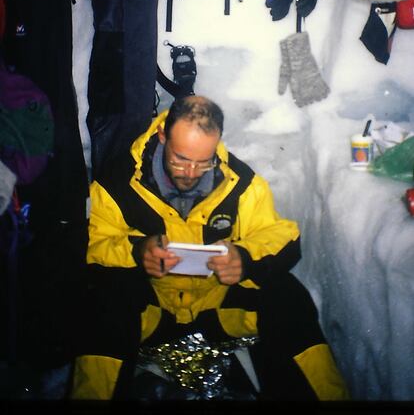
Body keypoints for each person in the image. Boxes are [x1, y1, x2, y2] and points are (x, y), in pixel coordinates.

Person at [70, 95, 349, 401]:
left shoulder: (240, 183)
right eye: (180, 159)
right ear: (163, 135)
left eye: (203, 162)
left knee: (289, 297)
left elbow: (280, 235)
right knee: (101, 306)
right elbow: (90, 244)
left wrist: (243, 259)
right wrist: (137, 252)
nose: (190, 173)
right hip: (151, 308)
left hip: (218, 306)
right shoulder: (119, 182)